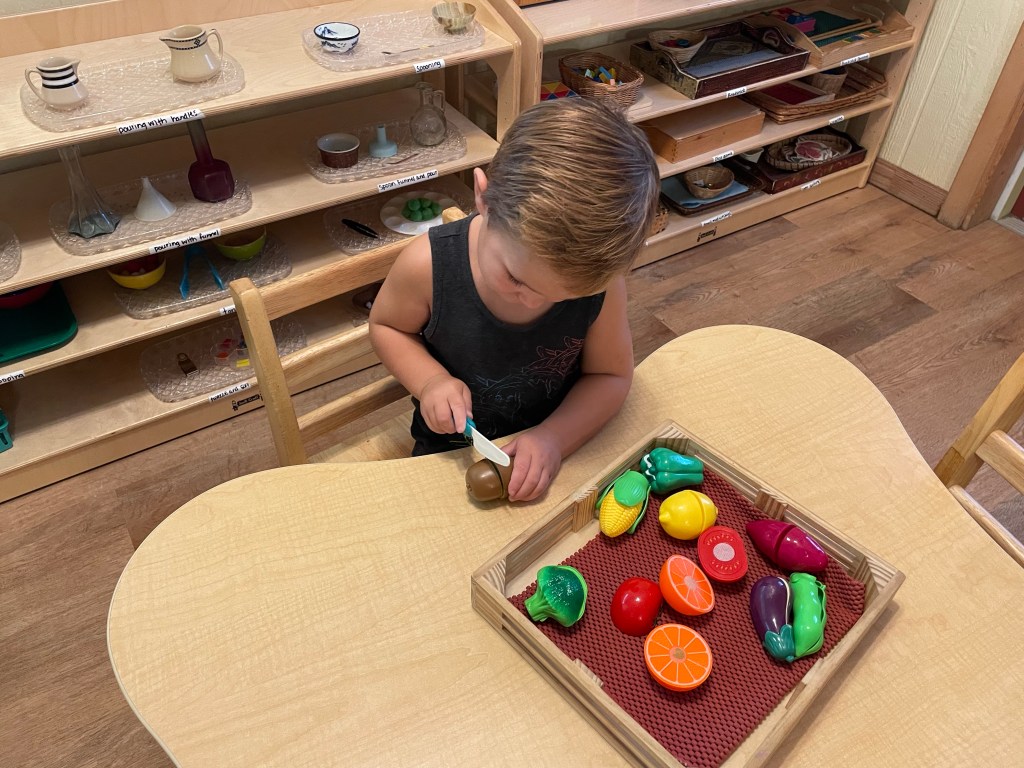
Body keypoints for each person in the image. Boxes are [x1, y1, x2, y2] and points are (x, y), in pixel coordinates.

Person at [368, 98, 659, 501]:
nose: (533, 303)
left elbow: (611, 377)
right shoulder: (427, 267)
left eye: (567, 297)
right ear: (483, 198)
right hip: (450, 452)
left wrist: (554, 438)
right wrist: (431, 381)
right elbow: (387, 327)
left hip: (560, 442)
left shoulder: (601, 285)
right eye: (517, 279)